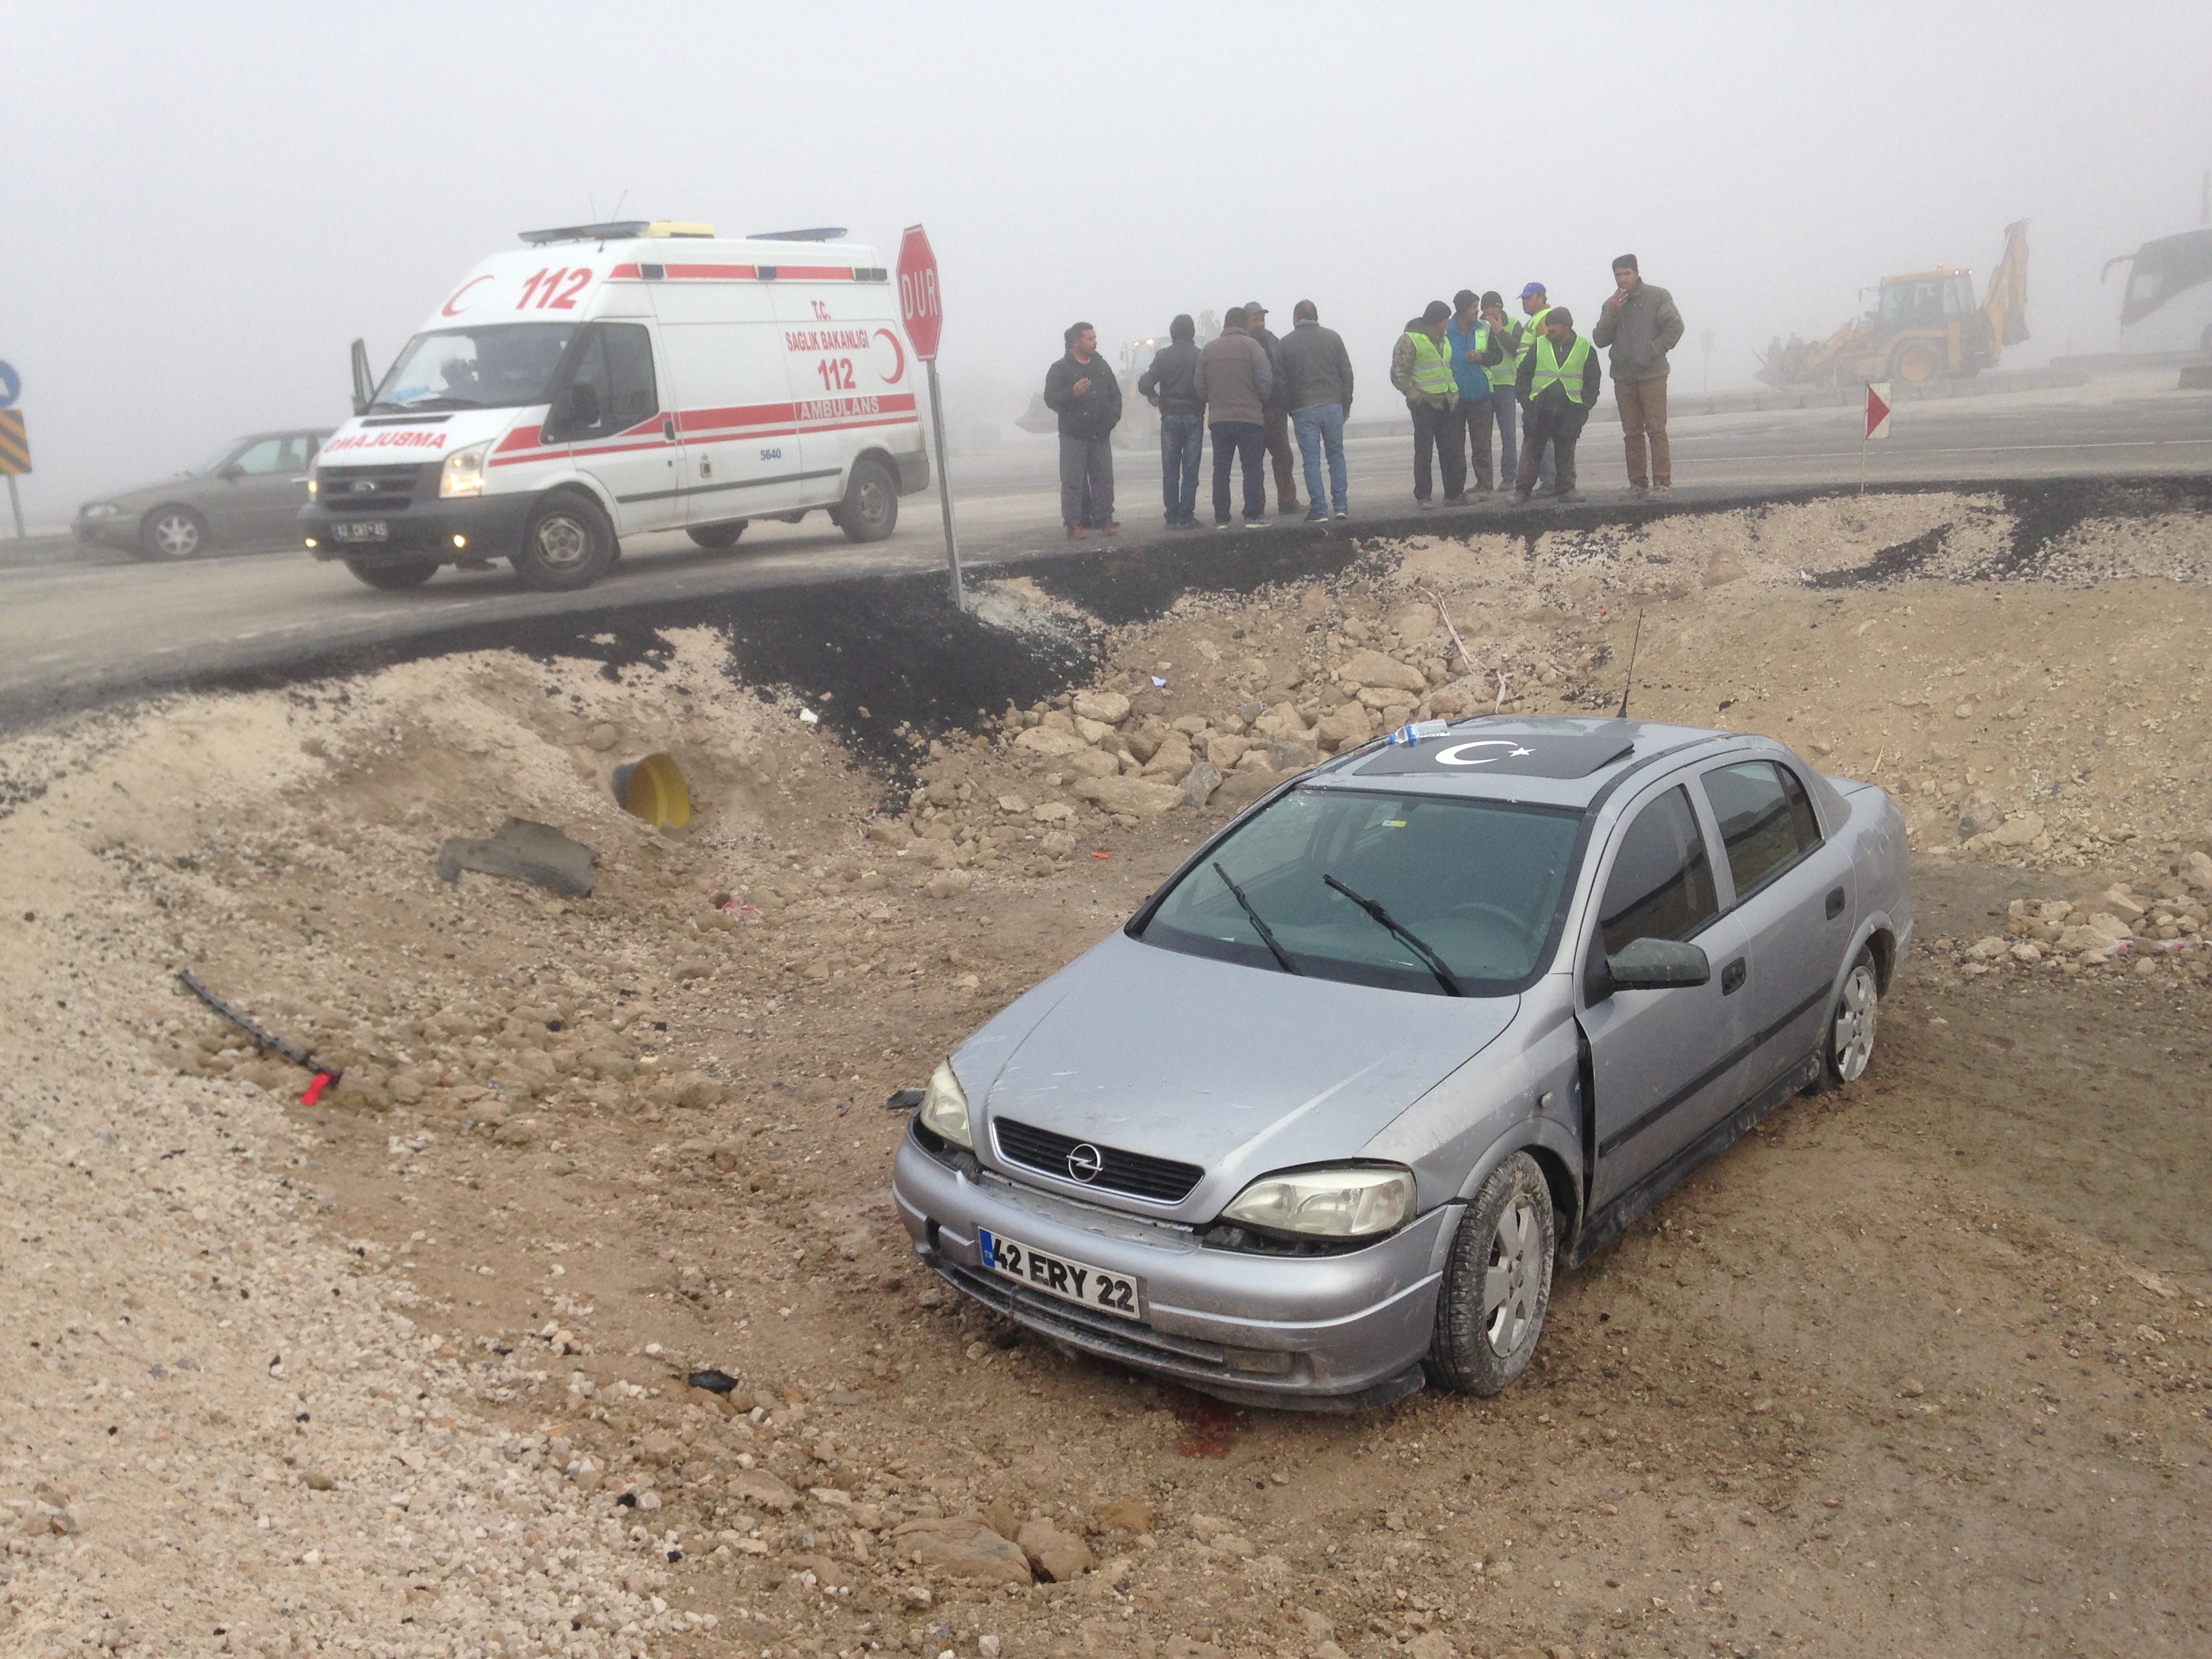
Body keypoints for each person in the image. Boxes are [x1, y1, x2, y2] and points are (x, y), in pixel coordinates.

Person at [1591, 253, 1685, 497]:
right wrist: (1612, 313)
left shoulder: (1657, 296)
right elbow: (1600, 340)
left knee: (1656, 428)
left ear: (1636, 273)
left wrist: (1652, 349)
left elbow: (1675, 326)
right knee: (1631, 432)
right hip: (1623, 376)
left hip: (1653, 374)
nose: (1622, 280)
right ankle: (1637, 483)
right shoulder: (1610, 304)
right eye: (1618, 275)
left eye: (1626, 274)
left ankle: (1662, 482)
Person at [1195, 304, 1273, 529]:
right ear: (1244, 323)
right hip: (1250, 418)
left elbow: (1199, 387)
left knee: (1221, 469)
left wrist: (1214, 400)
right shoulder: (1253, 347)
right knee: (1252, 468)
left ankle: (1221, 517)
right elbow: (1265, 380)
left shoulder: (1208, 350)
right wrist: (1259, 399)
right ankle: (1253, 515)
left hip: (1219, 419)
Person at [1277, 300, 1356, 521]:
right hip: (1333, 406)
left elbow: (1281, 382)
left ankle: (1319, 510)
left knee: (1311, 459)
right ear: (1316, 317)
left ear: (1295, 318)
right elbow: (1346, 373)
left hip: (1303, 409)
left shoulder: (1285, 344)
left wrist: (1289, 407)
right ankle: (1341, 506)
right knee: (1336, 455)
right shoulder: (1333, 338)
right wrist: (1346, 404)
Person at [1514, 307, 1601, 504]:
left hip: (1570, 408)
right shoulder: (1538, 345)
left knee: (1566, 450)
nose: (1550, 328)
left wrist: (1586, 405)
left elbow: (1593, 380)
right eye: (1548, 324)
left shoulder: (1585, 347)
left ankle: (1567, 490)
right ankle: (1522, 491)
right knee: (1531, 450)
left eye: (1554, 324)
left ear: (1567, 326)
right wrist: (1526, 401)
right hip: (1540, 407)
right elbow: (1524, 374)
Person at [1042, 322, 1121, 539]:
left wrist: (1112, 419)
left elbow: (1115, 395)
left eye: (1095, 338)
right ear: (1076, 341)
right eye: (1089, 339)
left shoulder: (1101, 367)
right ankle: (1073, 524)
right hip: (1073, 436)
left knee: (1104, 479)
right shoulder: (1060, 369)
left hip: (1099, 434)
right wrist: (1072, 393)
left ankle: (1106, 520)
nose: (1095, 342)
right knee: (1072, 481)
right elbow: (1050, 399)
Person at [1390, 300, 1461, 508]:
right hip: (1425, 403)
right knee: (1424, 451)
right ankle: (1424, 496)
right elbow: (1398, 374)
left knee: (1450, 450)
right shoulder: (1409, 340)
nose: (1449, 322)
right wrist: (1416, 397)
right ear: (1437, 321)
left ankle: (1453, 494)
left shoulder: (1444, 339)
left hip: (1447, 401)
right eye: (1446, 319)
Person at [1137, 314, 1205, 529]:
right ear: (1192, 332)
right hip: (1194, 416)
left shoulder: (1163, 356)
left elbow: (1144, 383)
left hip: (1170, 418)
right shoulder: (1200, 356)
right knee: (1191, 469)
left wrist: (1153, 397)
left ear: (1172, 332)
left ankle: (1172, 516)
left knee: (1170, 469)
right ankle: (1187, 516)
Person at [1445, 289, 1507, 497]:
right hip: (1454, 397)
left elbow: (1497, 356)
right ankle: (1457, 488)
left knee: (1482, 445)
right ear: (1462, 309)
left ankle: (1485, 485)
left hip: (1481, 395)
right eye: (1473, 306)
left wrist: (1481, 356)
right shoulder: (1445, 331)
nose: (1478, 310)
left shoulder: (1485, 328)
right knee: (1455, 446)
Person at [1243, 302, 1302, 516]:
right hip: (1252, 413)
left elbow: (1284, 372)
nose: (1259, 323)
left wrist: (1284, 401)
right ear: (1245, 322)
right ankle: (1256, 506)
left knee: (1284, 457)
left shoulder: (1273, 341)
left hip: (1275, 411)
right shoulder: (1242, 346)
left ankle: (1287, 502)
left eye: (1261, 319)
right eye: (1255, 320)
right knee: (1254, 462)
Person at [1513, 281, 1556, 493]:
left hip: (1539, 387)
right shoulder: (1534, 321)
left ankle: (1550, 481)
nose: (1524, 302)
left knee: (1541, 435)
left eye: (1528, 298)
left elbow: (1546, 354)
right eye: (1523, 298)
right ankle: (1549, 480)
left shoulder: (1543, 320)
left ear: (1541, 297)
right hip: (1534, 385)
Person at [1480, 291, 1521, 483]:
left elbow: (1518, 350)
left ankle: (1509, 476)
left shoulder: (1513, 324)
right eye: (1485, 307)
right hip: (1484, 386)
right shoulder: (1477, 326)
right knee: (1482, 437)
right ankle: (1485, 480)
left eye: (1492, 307)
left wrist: (1500, 332)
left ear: (1500, 306)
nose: (1489, 311)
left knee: (1508, 435)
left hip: (1506, 386)